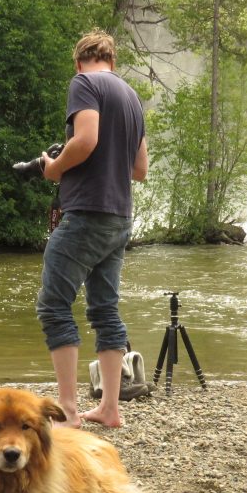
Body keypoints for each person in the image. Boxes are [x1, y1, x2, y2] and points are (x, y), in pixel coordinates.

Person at [36, 31, 148, 429]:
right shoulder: (132, 97)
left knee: (53, 305)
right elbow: (140, 170)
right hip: (119, 216)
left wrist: (53, 167)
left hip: (86, 212)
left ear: (78, 61)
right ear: (112, 61)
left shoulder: (83, 84)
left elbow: (85, 140)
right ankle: (110, 408)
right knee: (104, 309)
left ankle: (68, 411)